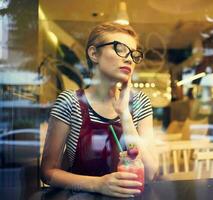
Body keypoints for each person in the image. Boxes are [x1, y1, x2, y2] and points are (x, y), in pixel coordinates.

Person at [41, 22, 158, 198]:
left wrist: (125, 114)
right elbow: (48, 172)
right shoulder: (70, 102)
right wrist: (99, 184)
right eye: (120, 49)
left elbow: (149, 172)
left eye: (133, 54)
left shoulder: (139, 102)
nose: (129, 59)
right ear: (94, 53)